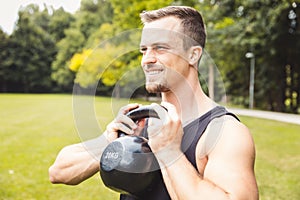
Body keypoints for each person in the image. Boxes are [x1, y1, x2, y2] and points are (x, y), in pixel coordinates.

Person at [49, 6, 259, 200]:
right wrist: (106, 140)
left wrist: (169, 152)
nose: (147, 59)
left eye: (160, 48)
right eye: (144, 50)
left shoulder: (224, 132)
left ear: (193, 55)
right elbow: (58, 172)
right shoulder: (139, 121)